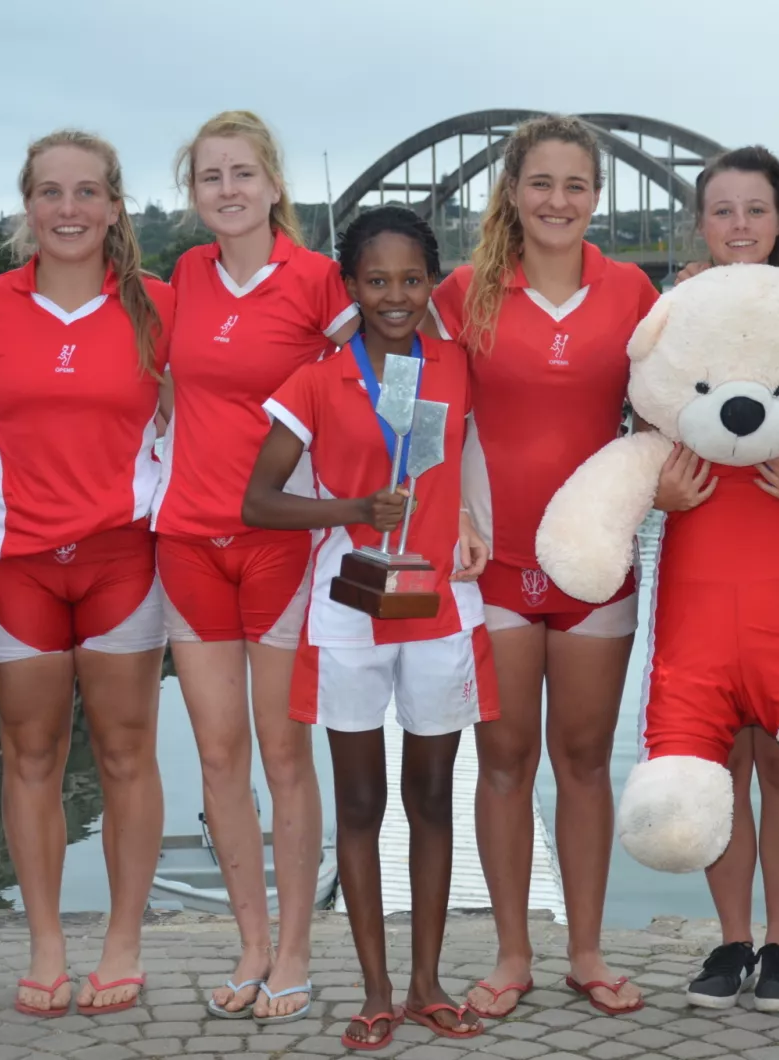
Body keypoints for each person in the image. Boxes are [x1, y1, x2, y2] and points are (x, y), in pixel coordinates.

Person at [242, 205, 495, 1049]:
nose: (396, 296)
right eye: (377, 281)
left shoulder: (454, 366)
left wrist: (470, 517)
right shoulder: (317, 379)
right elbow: (260, 500)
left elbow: (475, 453)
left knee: (430, 798)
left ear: (433, 283)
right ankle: (375, 990)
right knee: (359, 801)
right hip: (349, 606)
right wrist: (354, 506)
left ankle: (427, 982)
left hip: (439, 607)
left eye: (412, 279)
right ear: (351, 285)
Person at [430, 114, 660, 1019]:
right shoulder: (463, 293)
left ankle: (589, 951)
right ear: (513, 192)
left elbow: (667, 413)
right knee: (503, 756)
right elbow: (429, 419)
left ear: (596, 196)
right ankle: (514, 952)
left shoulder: (636, 290)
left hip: (596, 565)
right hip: (493, 562)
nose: (557, 201)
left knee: (585, 758)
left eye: (575, 186)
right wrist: (449, 509)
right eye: (541, 184)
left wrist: (667, 484)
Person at [0, 129, 173, 1018]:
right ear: (28, 206)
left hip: (124, 554)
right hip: (16, 560)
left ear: (115, 206)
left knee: (126, 754)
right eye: (51, 192)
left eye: (88, 192)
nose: (69, 209)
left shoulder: (157, 306)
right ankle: (46, 943)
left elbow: (214, 414)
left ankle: (122, 941)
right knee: (31, 755)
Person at [152, 110, 357, 1023]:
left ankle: (298, 947)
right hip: (188, 541)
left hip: (283, 545)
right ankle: (250, 940)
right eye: (209, 177)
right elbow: (154, 388)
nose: (227, 190)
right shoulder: (179, 281)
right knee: (219, 751)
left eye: (242, 174)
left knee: (283, 752)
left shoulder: (319, 283)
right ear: (193, 194)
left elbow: (383, 385)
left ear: (274, 185)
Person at [661, 146, 779, 1012]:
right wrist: (653, 489)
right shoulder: (675, 313)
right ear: (701, 223)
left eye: (754, 210)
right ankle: (730, 941)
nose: (738, 226)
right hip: (699, 550)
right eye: (721, 210)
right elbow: (642, 420)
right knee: (716, 758)